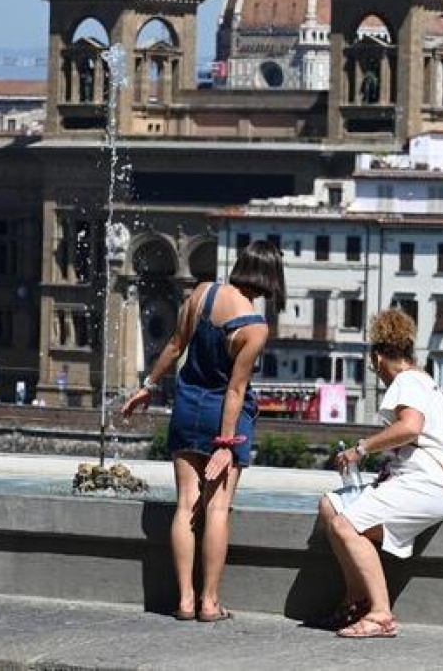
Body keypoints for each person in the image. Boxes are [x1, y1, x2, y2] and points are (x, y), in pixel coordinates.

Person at [120, 240, 285, 623]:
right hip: (224, 417)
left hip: (186, 408)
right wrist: (226, 444)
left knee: (185, 507)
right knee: (217, 508)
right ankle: (210, 603)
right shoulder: (254, 328)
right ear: (270, 277)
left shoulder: (202, 293)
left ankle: (185, 601)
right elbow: (235, 389)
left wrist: (148, 384)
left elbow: (175, 345)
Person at [316, 308, 443, 639]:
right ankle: (357, 600)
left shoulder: (405, 381)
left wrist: (360, 449)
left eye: (373, 363)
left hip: (422, 484)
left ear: (378, 356)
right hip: (438, 489)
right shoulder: (433, 387)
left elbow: (409, 427)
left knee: (346, 526)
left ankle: (379, 614)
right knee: (331, 507)